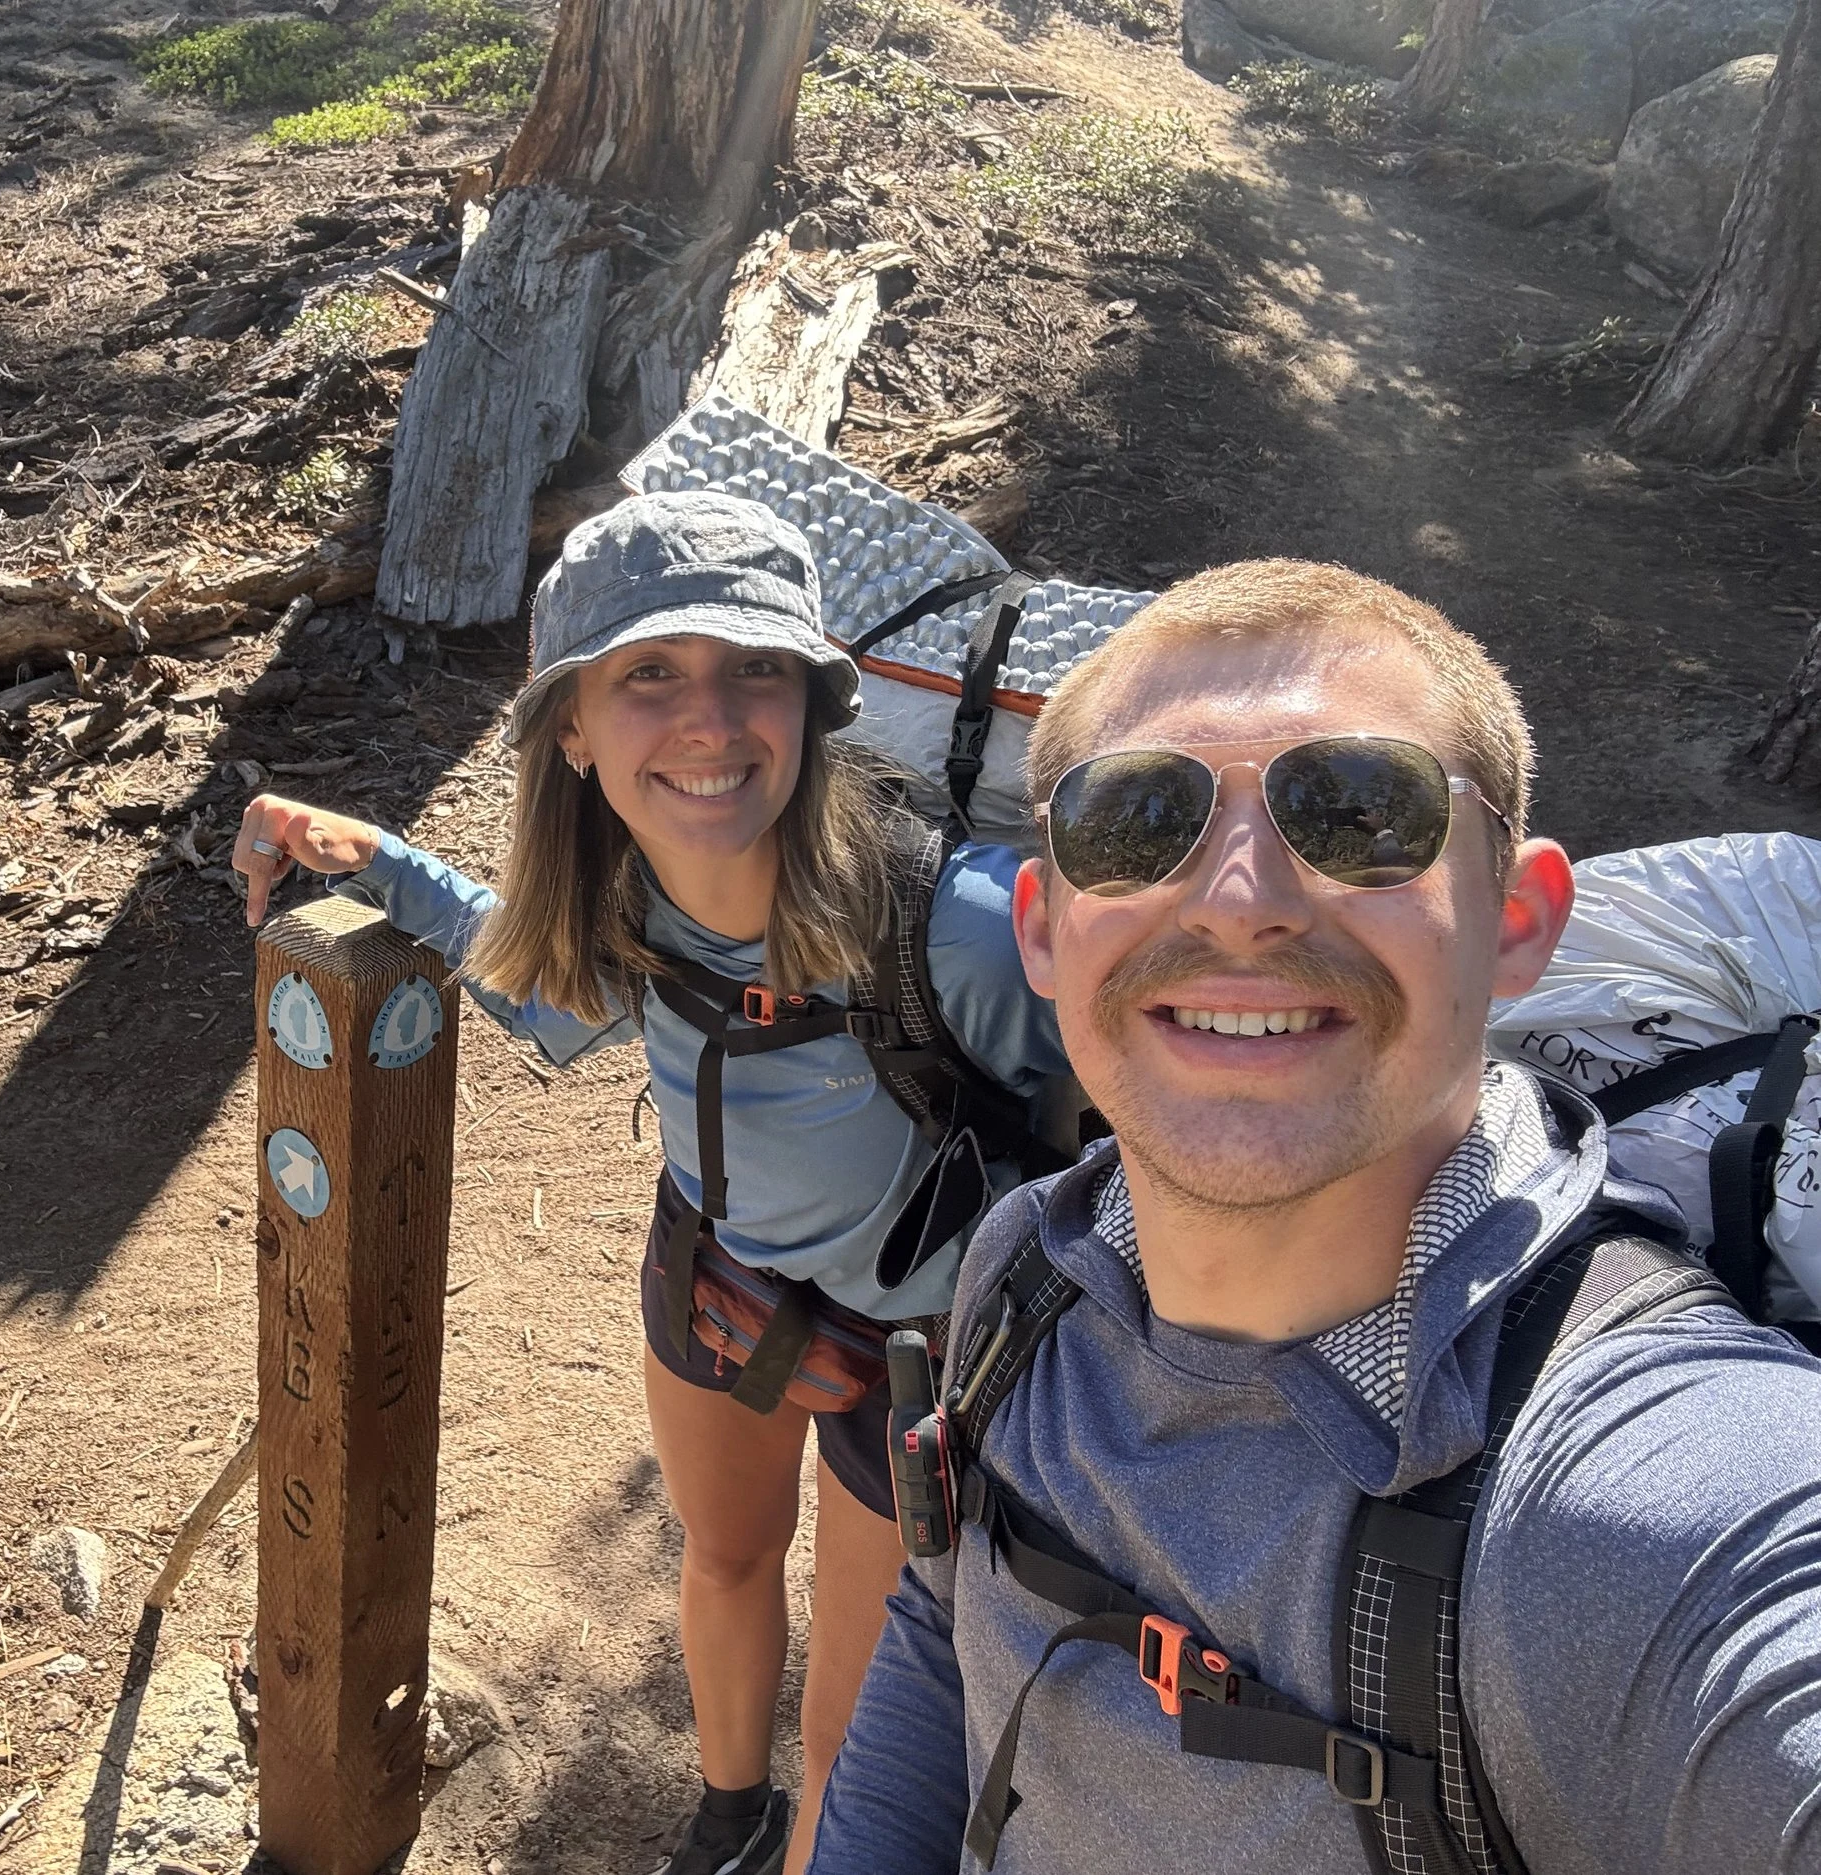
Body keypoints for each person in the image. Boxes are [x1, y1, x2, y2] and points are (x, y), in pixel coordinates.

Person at [809, 559, 1821, 1874]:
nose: (1239, 898)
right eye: (1138, 818)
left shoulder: (1626, 1514)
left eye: (1357, 813)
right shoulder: (1029, 1266)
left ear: (1517, 921)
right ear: (1047, 929)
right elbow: (947, 1623)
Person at [232, 492, 1072, 1875]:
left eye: (756, 669)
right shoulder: (622, 896)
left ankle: (797, 1837)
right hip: (717, 1274)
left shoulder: (962, 927)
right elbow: (549, 987)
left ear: (813, 702)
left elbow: (1139, 1098)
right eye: (649, 676)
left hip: (914, 1352)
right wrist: (379, 863)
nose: (710, 720)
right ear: (571, 727)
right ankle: (726, 1817)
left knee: (859, 1735)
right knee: (727, 1561)